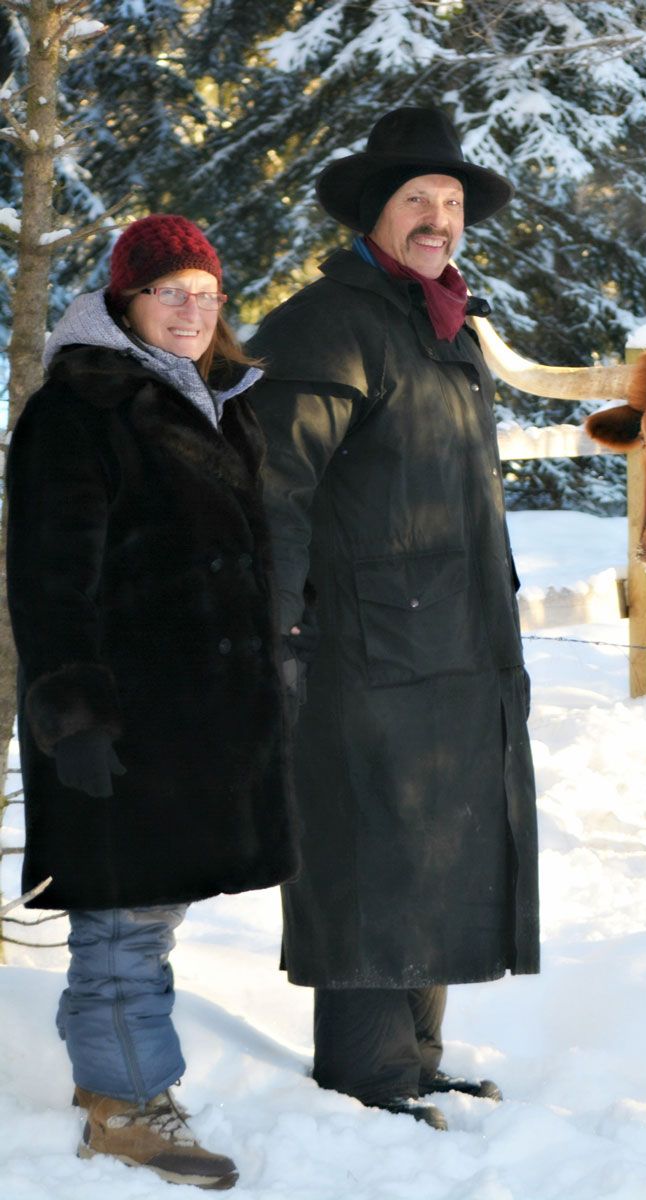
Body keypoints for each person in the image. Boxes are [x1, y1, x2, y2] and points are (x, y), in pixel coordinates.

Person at [247, 106, 539, 1129]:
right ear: (375, 211)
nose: (438, 219)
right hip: (358, 649)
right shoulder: (326, 325)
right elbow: (272, 490)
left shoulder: (443, 325)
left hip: (457, 645)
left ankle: (417, 1059)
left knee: (437, 847)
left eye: (450, 202)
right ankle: (368, 1074)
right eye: (417, 199)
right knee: (370, 851)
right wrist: (278, 632)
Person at [6, 213, 297, 1190]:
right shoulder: (78, 410)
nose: (190, 309)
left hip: (198, 724)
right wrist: (75, 715)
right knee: (121, 921)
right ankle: (126, 1108)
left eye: (204, 292)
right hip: (121, 720)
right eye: (168, 290)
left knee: (146, 916)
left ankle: (111, 1081)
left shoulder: (219, 401)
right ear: (124, 301)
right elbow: (50, 580)